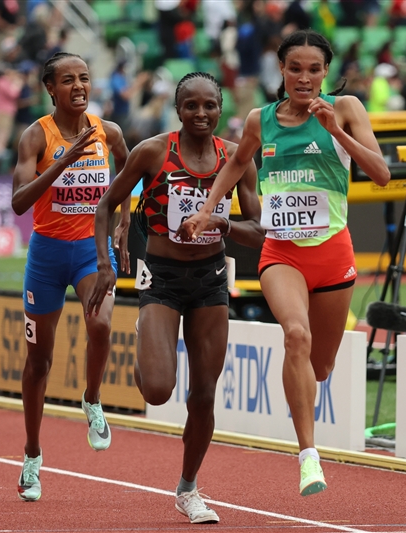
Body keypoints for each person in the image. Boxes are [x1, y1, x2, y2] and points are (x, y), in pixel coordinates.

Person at [178, 30, 390, 497]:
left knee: (320, 367)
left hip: (334, 255)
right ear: (282, 70)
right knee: (295, 334)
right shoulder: (260, 120)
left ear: (326, 73)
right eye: (296, 68)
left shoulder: (348, 108)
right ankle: (308, 457)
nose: (305, 78)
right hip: (282, 254)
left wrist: (335, 130)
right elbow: (235, 165)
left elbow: (380, 174)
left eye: (314, 70)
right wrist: (209, 207)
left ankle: (305, 397)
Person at [86, 72, 264, 524]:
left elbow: (259, 233)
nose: (200, 114)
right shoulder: (152, 152)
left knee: (203, 394)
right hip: (161, 278)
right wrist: (105, 263)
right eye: (191, 106)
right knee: (159, 390)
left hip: (210, 278)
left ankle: (189, 488)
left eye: (209, 106)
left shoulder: (236, 158)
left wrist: (219, 225)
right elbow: (106, 205)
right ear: (178, 109)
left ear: (221, 109)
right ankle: (147, 333)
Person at [11, 52, 131, 502]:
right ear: (50, 88)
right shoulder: (34, 136)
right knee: (38, 363)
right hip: (45, 254)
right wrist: (63, 161)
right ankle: (32, 455)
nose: (79, 86)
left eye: (84, 77)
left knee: (100, 323)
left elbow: (128, 172)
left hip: (89, 250)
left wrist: (122, 221)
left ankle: (92, 398)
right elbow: (20, 203)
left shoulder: (109, 132)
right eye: (68, 80)